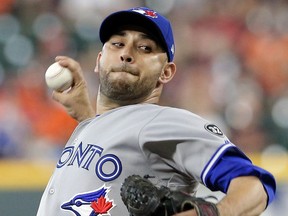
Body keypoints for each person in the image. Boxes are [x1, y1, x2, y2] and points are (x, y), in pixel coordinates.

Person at [37, 7, 276, 216]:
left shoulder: (165, 122)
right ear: (99, 61)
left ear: (166, 72)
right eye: (118, 44)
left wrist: (213, 213)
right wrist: (88, 119)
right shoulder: (91, 126)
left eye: (145, 48)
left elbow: (255, 186)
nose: (127, 53)